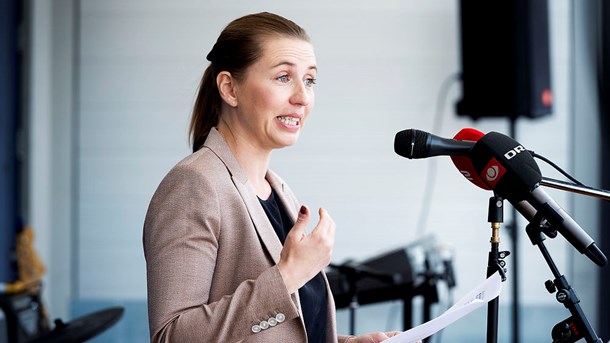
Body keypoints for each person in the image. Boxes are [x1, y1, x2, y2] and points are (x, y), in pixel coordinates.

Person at [143, 12, 402, 343]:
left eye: (309, 80)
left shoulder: (278, 190)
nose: (302, 97)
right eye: (283, 78)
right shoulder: (194, 185)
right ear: (229, 88)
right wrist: (288, 275)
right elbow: (172, 336)